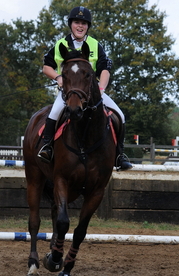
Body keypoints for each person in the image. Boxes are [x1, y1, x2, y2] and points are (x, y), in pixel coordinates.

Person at [38, 6, 132, 170]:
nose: (80, 26)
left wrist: (101, 88)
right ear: (71, 24)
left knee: (121, 116)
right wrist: (58, 77)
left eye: (83, 23)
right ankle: (47, 148)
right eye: (76, 22)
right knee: (54, 113)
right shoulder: (61, 44)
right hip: (68, 93)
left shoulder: (95, 45)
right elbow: (46, 67)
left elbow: (104, 69)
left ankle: (119, 155)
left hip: (93, 93)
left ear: (88, 26)